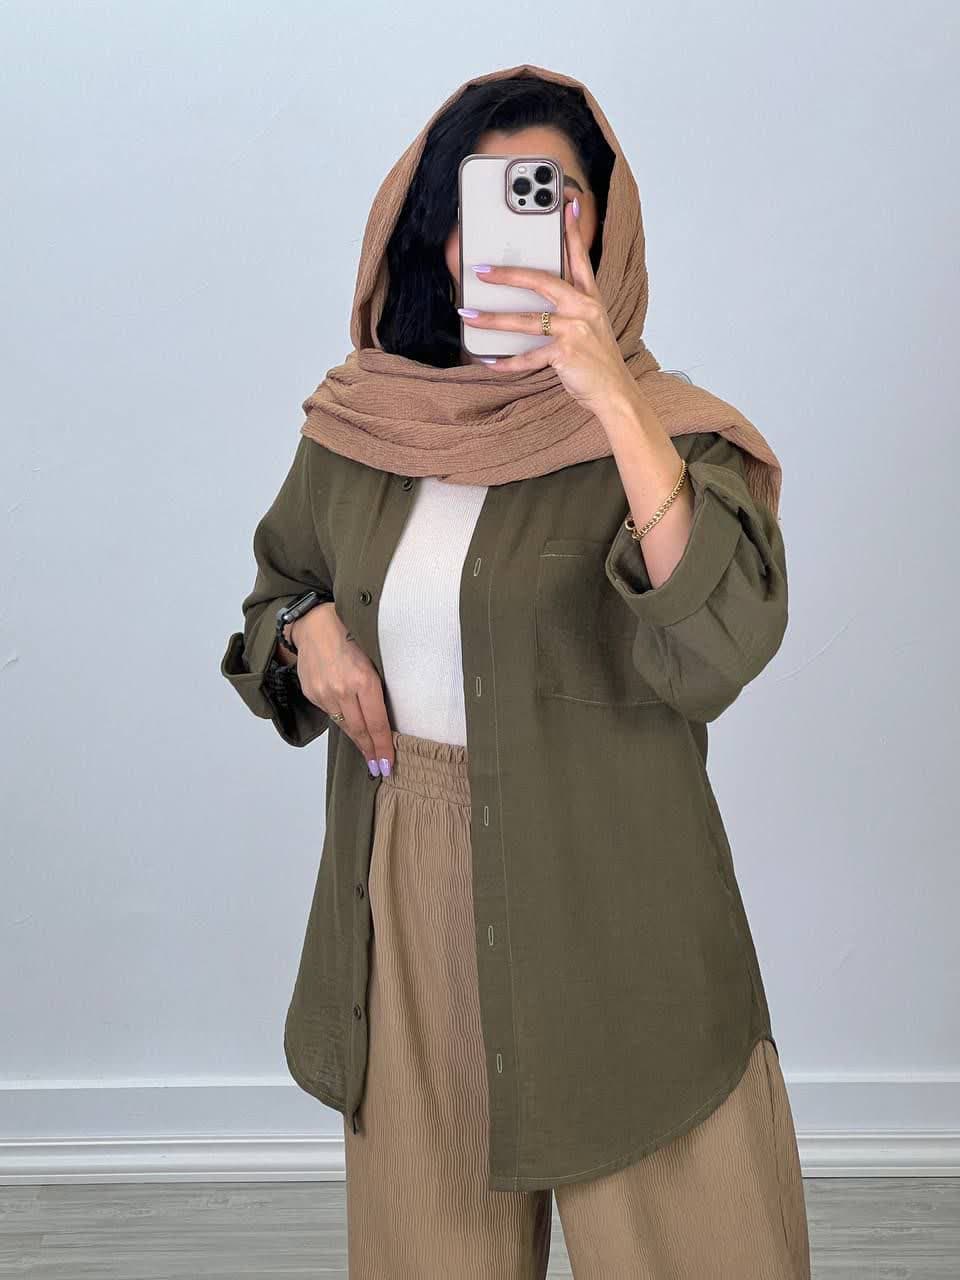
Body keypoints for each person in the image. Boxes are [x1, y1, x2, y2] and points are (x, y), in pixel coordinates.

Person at [221, 62, 812, 1279]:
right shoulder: (366, 426)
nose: (508, 235)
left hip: (618, 896)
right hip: (406, 898)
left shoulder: (670, 435)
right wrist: (307, 631)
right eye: (474, 204)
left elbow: (719, 644)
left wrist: (612, 400)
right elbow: (277, 592)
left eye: (551, 200)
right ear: (433, 235)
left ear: (605, 228)